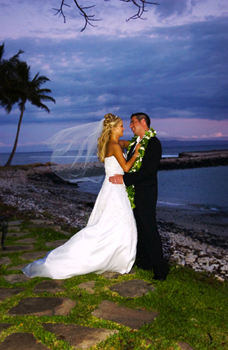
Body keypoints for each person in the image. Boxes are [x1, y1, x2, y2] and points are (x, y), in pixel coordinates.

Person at [22, 113, 140, 279]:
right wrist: (136, 154)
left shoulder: (113, 143)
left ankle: (116, 258)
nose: (123, 128)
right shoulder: (114, 145)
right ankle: (113, 258)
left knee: (112, 223)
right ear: (113, 128)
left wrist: (140, 140)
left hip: (112, 187)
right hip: (115, 189)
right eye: (120, 126)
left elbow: (130, 142)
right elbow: (126, 168)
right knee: (116, 223)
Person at [109, 112, 168, 281]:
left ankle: (160, 271)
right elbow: (118, 147)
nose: (130, 125)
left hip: (146, 193)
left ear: (143, 121)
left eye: (133, 122)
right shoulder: (135, 143)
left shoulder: (153, 143)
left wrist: (124, 179)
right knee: (139, 229)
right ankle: (144, 262)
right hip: (133, 194)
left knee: (150, 230)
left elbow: (148, 172)